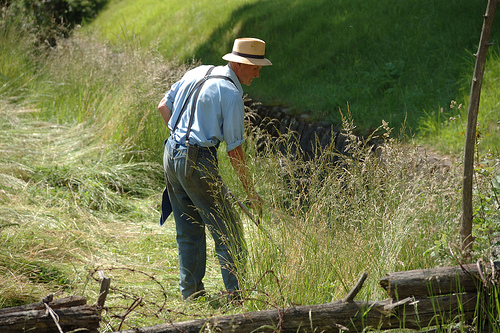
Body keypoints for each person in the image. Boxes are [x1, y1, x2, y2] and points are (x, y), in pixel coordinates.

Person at [157, 38, 272, 301]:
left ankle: (191, 296)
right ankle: (237, 297)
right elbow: (235, 151)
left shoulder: (197, 71)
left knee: (188, 229)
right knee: (228, 230)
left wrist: (180, 141)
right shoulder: (231, 94)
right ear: (238, 63)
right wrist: (251, 193)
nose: (257, 72)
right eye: (254, 66)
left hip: (171, 154)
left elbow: (163, 106)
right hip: (197, 159)